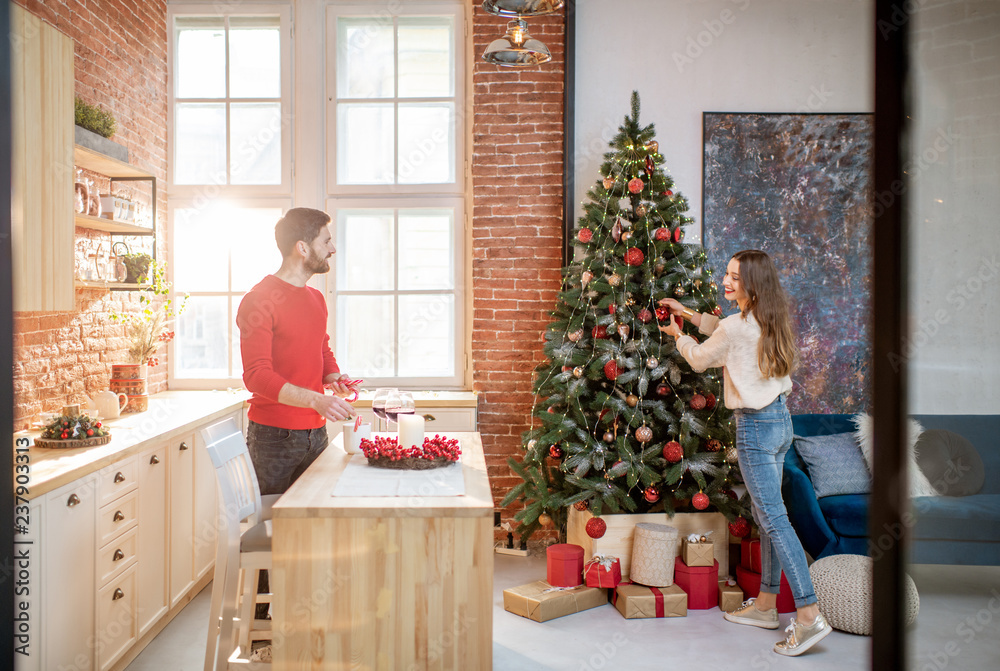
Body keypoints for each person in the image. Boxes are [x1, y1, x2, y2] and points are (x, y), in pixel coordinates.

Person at [658, 249, 831, 657]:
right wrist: (691, 313)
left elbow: (702, 358)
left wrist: (678, 335)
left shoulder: (738, 328)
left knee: (773, 519)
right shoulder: (767, 319)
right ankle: (767, 605)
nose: (725, 280)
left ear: (751, 283)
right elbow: (725, 329)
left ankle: (808, 615)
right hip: (780, 422)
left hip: (754, 428)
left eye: (734, 276)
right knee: (765, 515)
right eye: (728, 273)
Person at [237, 207, 357, 496]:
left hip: (317, 432)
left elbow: (321, 346)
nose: (333, 249)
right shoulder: (258, 300)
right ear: (302, 247)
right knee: (279, 526)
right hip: (273, 437)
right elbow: (256, 376)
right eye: (325, 241)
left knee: (316, 520)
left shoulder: (315, 298)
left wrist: (334, 377)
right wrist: (317, 400)